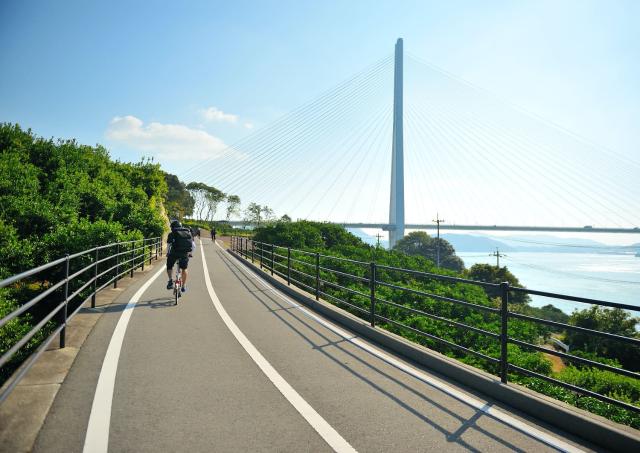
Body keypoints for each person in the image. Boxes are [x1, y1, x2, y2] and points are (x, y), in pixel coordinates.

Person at [166, 220, 195, 293]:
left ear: (172, 227)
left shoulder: (171, 234)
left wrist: (167, 253)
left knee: (169, 266)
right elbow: (193, 245)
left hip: (174, 254)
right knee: (184, 269)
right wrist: (190, 253)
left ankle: (170, 281)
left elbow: (168, 245)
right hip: (184, 254)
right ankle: (183, 285)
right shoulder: (187, 233)